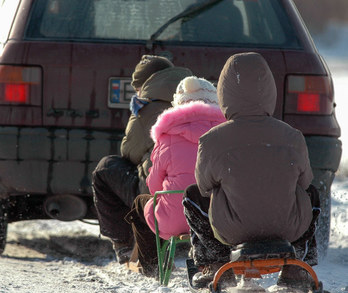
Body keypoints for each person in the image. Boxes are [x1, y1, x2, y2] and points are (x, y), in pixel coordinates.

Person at [182, 52, 320, 291]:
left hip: (233, 229)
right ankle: (297, 266)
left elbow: (204, 187)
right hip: (286, 226)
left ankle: (214, 264)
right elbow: (305, 182)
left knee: (192, 195)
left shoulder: (212, 141)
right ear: (268, 90)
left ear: (224, 92)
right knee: (313, 194)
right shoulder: (292, 136)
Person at [92, 55, 192, 264]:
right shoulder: (199, 100)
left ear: (144, 84)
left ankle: (124, 244)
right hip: (202, 199)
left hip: (163, 199)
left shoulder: (147, 105)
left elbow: (129, 151)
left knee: (105, 169)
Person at [124, 76, 226, 277]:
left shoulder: (167, 136)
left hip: (176, 218)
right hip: (219, 218)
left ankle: (153, 267)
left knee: (141, 205)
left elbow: (153, 187)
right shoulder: (226, 133)